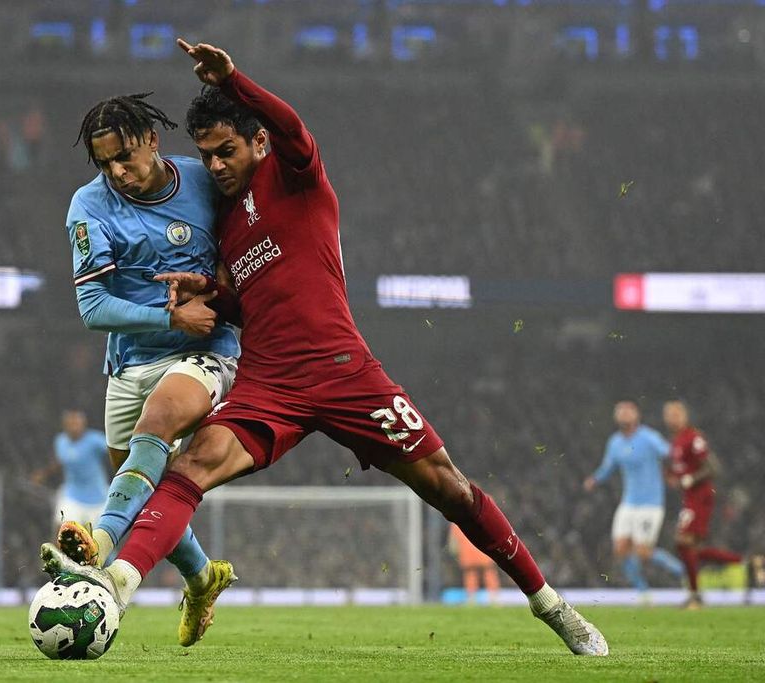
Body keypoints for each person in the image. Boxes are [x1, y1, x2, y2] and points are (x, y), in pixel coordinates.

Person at [45, 39, 608, 657]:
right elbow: (245, 302)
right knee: (187, 471)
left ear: (257, 143)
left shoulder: (299, 179)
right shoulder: (227, 223)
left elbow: (292, 124)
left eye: (226, 151)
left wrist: (235, 80)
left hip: (346, 373)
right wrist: (207, 290)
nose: (216, 166)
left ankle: (551, 605)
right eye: (206, 156)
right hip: (270, 383)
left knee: (449, 487)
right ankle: (117, 589)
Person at [57, 92, 242, 645]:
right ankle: (204, 578)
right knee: (146, 491)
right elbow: (93, 308)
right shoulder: (89, 206)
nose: (118, 172)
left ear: (153, 142)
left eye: (126, 157)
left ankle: (102, 545)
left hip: (206, 351)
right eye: (105, 163)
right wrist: (168, 318)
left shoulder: (203, 182)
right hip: (129, 363)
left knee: (158, 423)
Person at [583, 401, 685, 598]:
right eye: (621, 412)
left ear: (636, 415)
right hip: (629, 502)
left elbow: (671, 454)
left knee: (643, 553)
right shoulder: (615, 442)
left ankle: (683, 571)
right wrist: (594, 479)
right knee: (620, 549)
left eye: (628, 411)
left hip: (651, 503)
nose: (624, 414)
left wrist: (673, 473)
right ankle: (643, 592)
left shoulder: (649, 437)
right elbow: (608, 466)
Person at [663, 400, 745, 609]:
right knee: (691, 548)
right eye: (669, 414)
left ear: (685, 416)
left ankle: (695, 595)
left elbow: (712, 467)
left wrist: (689, 479)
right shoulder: (675, 441)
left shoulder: (693, 437)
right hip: (690, 496)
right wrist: (673, 477)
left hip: (700, 495)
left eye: (676, 414)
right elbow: (679, 469)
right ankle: (742, 561)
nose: (672, 418)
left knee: (683, 541)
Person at [31, 410, 110, 530]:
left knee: (97, 543)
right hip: (72, 495)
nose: (74, 427)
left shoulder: (96, 440)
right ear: (65, 425)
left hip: (98, 498)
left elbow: (114, 452)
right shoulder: (60, 441)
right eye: (71, 423)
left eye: (77, 423)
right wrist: (43, 474)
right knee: (62, 532)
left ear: (83, 424)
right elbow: (60, 460)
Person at [449, 524, 501, 606]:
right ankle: (493, 598)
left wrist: (455, 553)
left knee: (471, 575)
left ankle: (471, 599)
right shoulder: (482, 514)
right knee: (489, 573)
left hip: (467, 552)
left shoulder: (456, 520)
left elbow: (453, 541)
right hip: (484, 551)